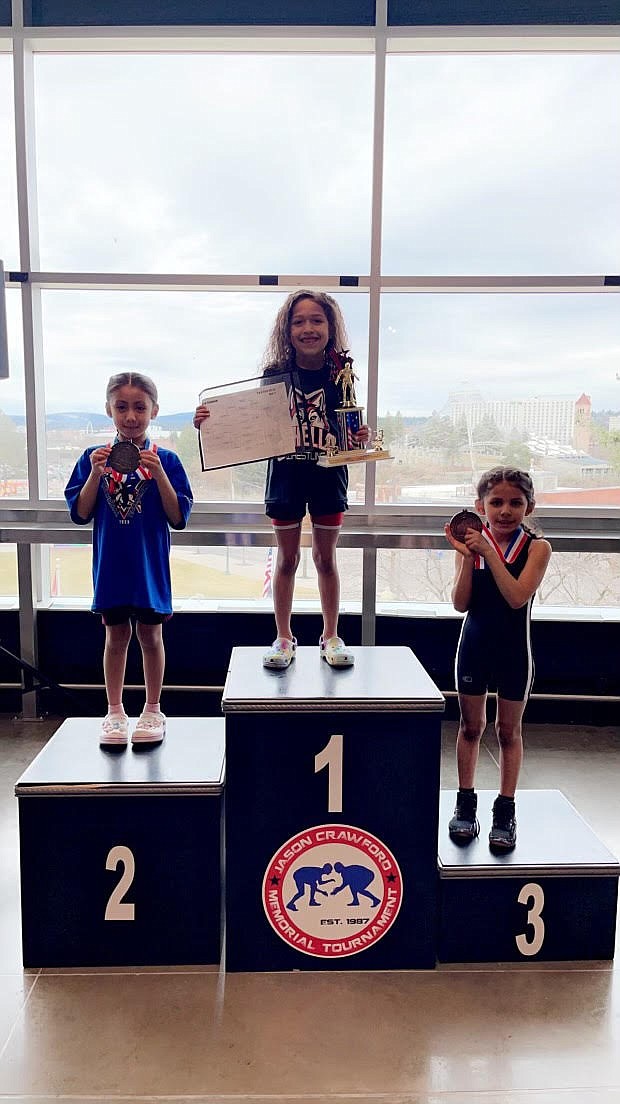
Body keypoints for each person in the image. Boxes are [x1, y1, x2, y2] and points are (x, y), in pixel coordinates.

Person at [194, 290, 370, 669]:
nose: (308, 328)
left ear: (330, 326)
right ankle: (284, 637)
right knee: (287, 559)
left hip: (328, 478)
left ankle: (331, 636)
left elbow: (348, 426)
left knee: (326, 558)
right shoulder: (275, 374)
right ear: (287, 329)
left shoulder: (342, 369)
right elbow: (254, 425)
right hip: (286, 479)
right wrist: (212, 424)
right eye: (299, 321)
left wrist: (358, 436)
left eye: (316, 320)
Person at [65, 372, 193, 749]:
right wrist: (95, 474)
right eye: (122, 407)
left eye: (140, 407)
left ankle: (153, 708)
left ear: (154, 410)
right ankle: (115, 711)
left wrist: (159, 475)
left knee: (152, 636)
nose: (131, 416)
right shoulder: (93, 459)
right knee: (115, 636)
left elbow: (178, 518)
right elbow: (81, 513)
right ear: (109, 410)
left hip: (150, 567)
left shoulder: (166, 459)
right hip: (112, 567)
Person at [444, 467, 552, 852]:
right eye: (496, 502)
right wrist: (468, 559)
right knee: (470, 728)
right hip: (473, 645)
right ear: (480, 506)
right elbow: (460, 604)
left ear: (529, 506)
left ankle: (505, 809)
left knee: (509, 733)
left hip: (514, 653)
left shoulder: (537, 547)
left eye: (515, 503)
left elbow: (516, 597)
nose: (505, 511)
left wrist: (488, 553)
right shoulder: (473, 545)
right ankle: (465, 803)